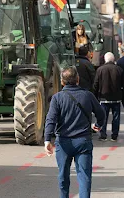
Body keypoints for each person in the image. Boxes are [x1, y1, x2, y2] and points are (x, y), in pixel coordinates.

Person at [45, 66, 106, 198]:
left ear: (62, 81)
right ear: (78, 79)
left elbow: (51, 119)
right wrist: (98, 125)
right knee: (84, 177)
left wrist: (47, 140)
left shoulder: (57, 98)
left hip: (63, 143)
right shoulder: (88, 95)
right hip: (83, 141)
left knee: (63, 176)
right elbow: (101, 113)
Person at [93, 52, 123, 141]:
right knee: (116, 118)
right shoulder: (119, 69)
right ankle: (114, 135)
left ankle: (103, 135)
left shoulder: (100, 69)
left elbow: (96, 84)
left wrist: (95, 96)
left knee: (103, 117)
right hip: (116, 98)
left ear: (105, 59)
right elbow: (123, 83)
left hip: (103, 98)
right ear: (113, 59)